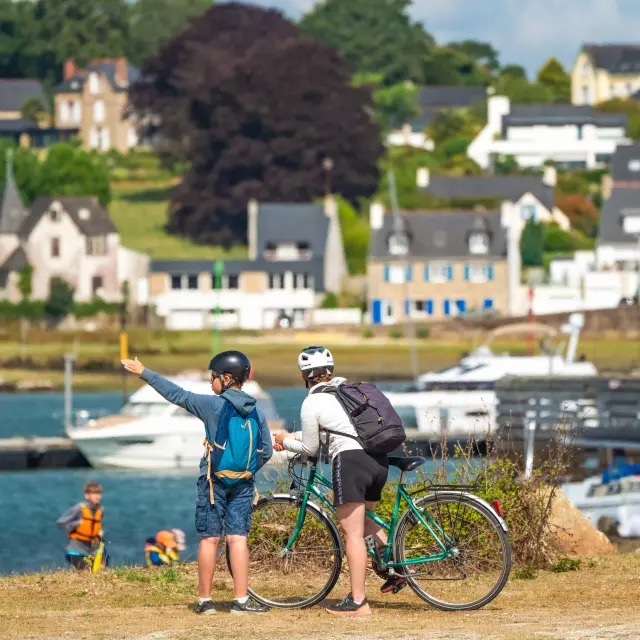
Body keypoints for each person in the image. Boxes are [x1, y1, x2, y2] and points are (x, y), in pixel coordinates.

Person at [122, 352, 273, 615]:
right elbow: (267, 451)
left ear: (226, 379)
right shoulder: (255, 410)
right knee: (238, 539)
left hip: (213, 482)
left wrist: (145, 372)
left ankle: (205, 601)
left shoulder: (211, 405)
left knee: (210, 539)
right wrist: (246, 470)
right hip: (244, 483)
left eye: (213, 377)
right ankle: (241, 601)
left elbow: (176, 394)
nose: (210, 382)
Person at [274, 346, 404, 616]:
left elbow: (311, 449)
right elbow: (334, 429)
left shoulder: (312, 401)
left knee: (352, 534)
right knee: (365, 520)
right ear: (330, 372)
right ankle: (400, 566)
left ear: (304, 377)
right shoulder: (346, 392)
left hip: (351, 463)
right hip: (377, 460)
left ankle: (358, 602)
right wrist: (295, 436)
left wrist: (284, 442)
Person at [56, 481, 107, 571]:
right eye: (93, 493)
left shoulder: (100, 509)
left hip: (92, 549)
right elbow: (60, 523)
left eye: (98, 493)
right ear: (87, 495)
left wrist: (99, 533)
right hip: (76, 550)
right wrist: (77, 524)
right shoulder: (79, 509)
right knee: (85, 571)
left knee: (101, 569)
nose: (97, 496)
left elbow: (95, 525)